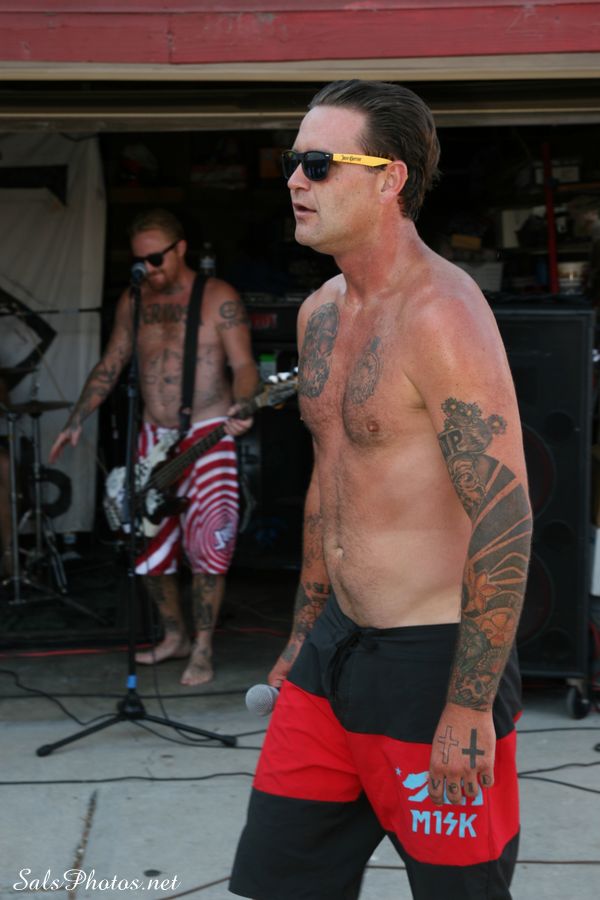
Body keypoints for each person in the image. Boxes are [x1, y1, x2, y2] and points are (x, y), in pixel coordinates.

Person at [230, 80, 532, 899]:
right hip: (333, 650)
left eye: (320, 164)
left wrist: (468, 707)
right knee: (278, 883)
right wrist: (301, 636)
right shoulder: (320, 313)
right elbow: (332, 486)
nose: (296, 180)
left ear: (389, 179)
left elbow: (505, 515)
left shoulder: (442, 314)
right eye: (294, 161)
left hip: (433, 662)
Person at [50, 209, 259, 685]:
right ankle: (174, 636)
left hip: (208, 432)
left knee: (209, 544)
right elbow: (112, 362)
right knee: (148, 544)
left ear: (181, 248)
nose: (148, 268)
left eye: (156, 259)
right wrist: (77, 418)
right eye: (139, 260)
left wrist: (245, 403)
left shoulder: (218, 297)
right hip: (151, 435)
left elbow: (245, 365)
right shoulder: (134, 299)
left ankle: (203, 648)